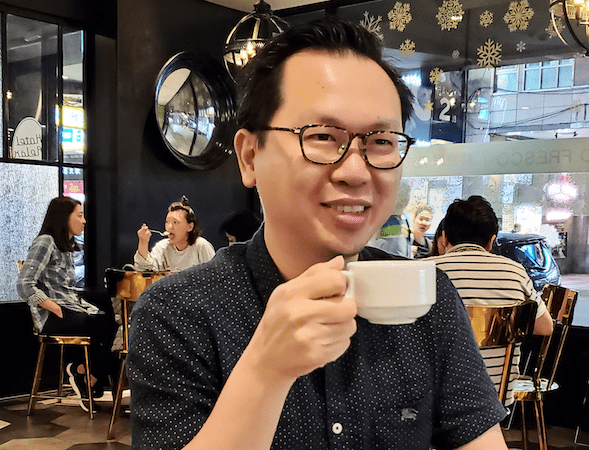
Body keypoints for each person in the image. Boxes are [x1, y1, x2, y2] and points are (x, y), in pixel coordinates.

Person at [127, 17, 508, 450]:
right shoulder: (178, 313)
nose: (355, 171)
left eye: (382, 141)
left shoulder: (427, 298)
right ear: (250, 157)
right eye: (323, 136)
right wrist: (265, 372)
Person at [428, 195, 554, 407]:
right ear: (491, 241)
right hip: (496, 399)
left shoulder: (425, 271)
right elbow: (545, 327)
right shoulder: (515, 272)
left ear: (445, 237)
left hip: (435, 402)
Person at [17, 196, 117, 413]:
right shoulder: (46, 242)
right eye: (79, 215)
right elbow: (24, 284)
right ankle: (85, 374)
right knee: (107, 326)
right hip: (52, 316)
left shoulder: (67, 246)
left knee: (114, 325)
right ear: (64, 218)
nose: (84, 221)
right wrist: (55, 308)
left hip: (71, 309)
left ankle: (84, 372)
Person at [134, 195, 215, 272]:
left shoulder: (201, 246)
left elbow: (214, 275)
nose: (169, 227)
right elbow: (146, 272)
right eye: (167, 222)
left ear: (190, 227)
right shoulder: (162, 247)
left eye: (175, 222)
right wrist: (143, 242)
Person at [368, 180, 412, 257]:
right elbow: (390, 247)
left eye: (407, 194)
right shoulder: (387, 220)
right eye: (403, 194)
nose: (406, 199)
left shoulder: (405, 218)